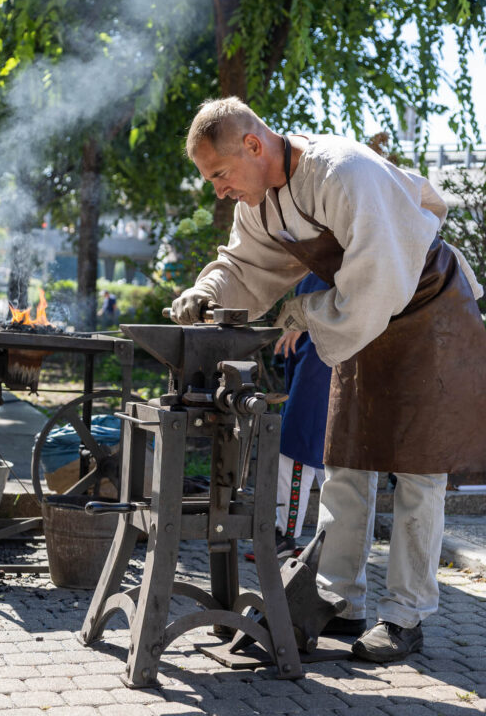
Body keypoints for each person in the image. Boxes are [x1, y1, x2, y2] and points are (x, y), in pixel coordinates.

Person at [171, 97, 486, 663]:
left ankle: (405, 618)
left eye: (219, 174)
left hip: (426, 314)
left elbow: (380, 281)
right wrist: (209, 290)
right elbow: (246, 266)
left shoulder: (344, 172)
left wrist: (306, 315)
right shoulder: (261, 202)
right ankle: (340, 602)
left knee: (417, 472)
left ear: (252, 144)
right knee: (346, 461)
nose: (218, 189)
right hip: (362, 316)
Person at [245, 272, 332, 563]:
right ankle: (333, 539)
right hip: (315, 347)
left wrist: (303, 319)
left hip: (324, 350)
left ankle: (286, 534)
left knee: (300, 446)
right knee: (322, 449)